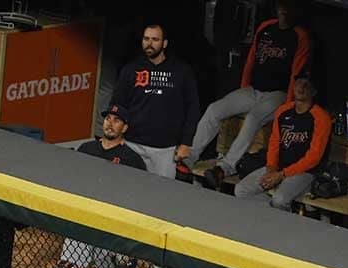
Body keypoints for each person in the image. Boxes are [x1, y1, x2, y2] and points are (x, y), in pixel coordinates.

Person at [187, 0, 311, 190]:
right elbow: (251, 59)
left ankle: (225, 168)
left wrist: (289, 104)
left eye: (288, 6)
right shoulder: (266, 27)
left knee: (253, 118)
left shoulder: (299, 35)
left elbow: (297, 71)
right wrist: (244, 87)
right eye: (281, 5)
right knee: (214, 109)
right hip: (253, 90)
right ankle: (190, 157)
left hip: (278, 94)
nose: (284, 10)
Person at [51, 104, 145, 268]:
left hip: (110, 229)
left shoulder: (133, 160)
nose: (110, 123)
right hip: (82, 224)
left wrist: (129, 242)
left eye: (117, 120)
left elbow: (137, 202)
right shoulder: (86, 149)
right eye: (108, 118)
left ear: (125, 127)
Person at [110, 23, 200, 179]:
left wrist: (186, 143)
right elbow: (117, 106)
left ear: (164, 43)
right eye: (146, 39)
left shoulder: (182, 71)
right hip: (132, 144)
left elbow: (193, 109)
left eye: (155, 39)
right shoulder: (130, 70)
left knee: (161, 192)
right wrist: (114, 136)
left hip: (165, 150)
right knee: (126, 188)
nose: (149, 43)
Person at [233, 71, 330, 210]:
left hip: (306, 172)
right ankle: (273, 215)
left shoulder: (321, 117)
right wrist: (271, 168)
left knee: (279, 200)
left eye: (306, 85)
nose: (301, 88)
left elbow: (314, 158)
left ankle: (278, 216)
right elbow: (274, 143)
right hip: (279, 168)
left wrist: (282, 174)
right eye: (298, 83)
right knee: (241, 190)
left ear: (314, 92)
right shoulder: (283, 111)